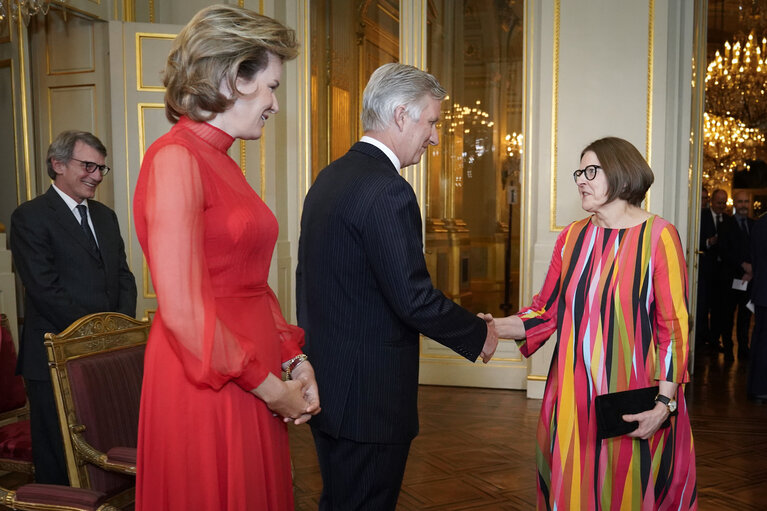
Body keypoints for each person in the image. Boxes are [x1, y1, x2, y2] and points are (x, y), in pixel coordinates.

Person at [132, 6, 319, 510]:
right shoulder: (176, 158)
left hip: (251, 371)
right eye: (272, 86)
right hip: (206, 378)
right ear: (235, 77)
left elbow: (251, 282)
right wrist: (267, 386)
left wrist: (292, 357)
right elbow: (184, 311)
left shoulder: (223, 159)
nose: (276, 104)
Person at [296, 63, 499, 511]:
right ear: (402, 115)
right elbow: (414, 298)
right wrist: (478, 333)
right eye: (431, 122)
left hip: (329, 384)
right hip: (370, 399)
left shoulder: (330, 178)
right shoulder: (388, 190)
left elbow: (311, 281)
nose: (434, 137)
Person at [486, 137, 697, 510]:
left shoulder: (659, 237)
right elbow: (545, 312)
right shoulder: (571, 238)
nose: (580, 180)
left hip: (635, 399)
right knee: (576, 491)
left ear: (620, 173)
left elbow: (673, 329)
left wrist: (665, 404)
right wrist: (491, 329)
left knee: (629, 490)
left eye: (590, 171)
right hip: (572, 397)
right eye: (578, 173)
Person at [10, 130, 137, 484]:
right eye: (88, 166)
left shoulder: (105, 216)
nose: (96, 175)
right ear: (58, 164)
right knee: (59, 460)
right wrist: (92, 334)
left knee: (104, 449)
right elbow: (43, 289)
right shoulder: (30, 216)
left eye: (101, 168)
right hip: (53, 355)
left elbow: (124, 278)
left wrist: (116, 331)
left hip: (105, 354)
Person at [719, 190, 754, 360]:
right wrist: (743, 266)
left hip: (750, 279)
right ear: (735, 204)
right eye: (740, 202)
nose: (743, 206)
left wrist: (751, 270)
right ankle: (728, 348)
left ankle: (743, 349)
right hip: (731, 278)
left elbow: (758, 250)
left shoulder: (754, 224)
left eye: (746, 202)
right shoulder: (726, 224)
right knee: (728, 315)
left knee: (745, 317)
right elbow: (725, 251)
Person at [748, 212, 767, 402]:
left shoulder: (759, 224)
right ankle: (760, 388)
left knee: (760, 340)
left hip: (761, 290)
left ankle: (755, 387)